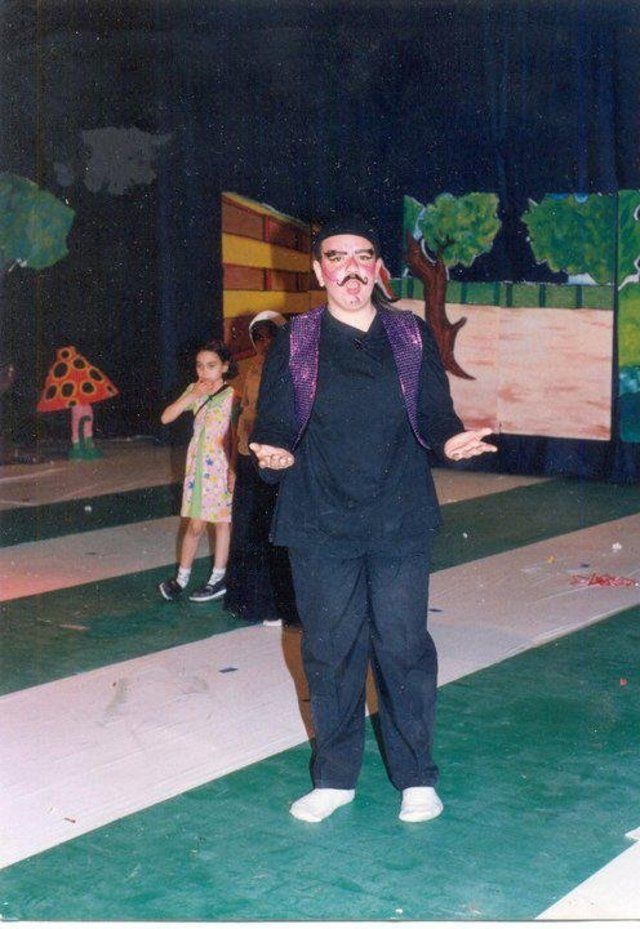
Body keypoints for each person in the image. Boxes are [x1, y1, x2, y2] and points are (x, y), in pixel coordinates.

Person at [250, 215, 497, 824]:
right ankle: (335, 779)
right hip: (319, 517)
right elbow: (275, 419)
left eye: (363, 256)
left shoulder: (409, 334)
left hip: (398, 514)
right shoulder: (296, 339)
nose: (351, 268)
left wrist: (451, 440)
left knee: (403, 646)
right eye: (337, 258)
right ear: (319, 271)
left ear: (378, 269)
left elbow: (435, 411)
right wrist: (274, 450)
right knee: (330, 650)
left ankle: (416, 777)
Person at [224, 311, 300, 628]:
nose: (264, 343)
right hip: (248, 458)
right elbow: (240, 415)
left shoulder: (294, 367)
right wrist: (233, 463)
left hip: (276, 461)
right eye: (258, 337)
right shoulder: (250, 369)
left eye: (270, 336)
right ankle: (250, 602)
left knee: (275, 532)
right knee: (248, 529)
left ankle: (279, 605)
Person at [159, 339, 237, 603]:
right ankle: (181, 578)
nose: (204, 371)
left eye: (211, 366)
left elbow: (236, 434)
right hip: (197, 468)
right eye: (200, 366)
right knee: (194, 525)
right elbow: (166, 417)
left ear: (224, 366)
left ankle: (218, 577)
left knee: (222, 523)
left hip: (221, 467)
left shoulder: (232, 395)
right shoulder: (194, 390)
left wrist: (234, 470)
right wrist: (192, 396)